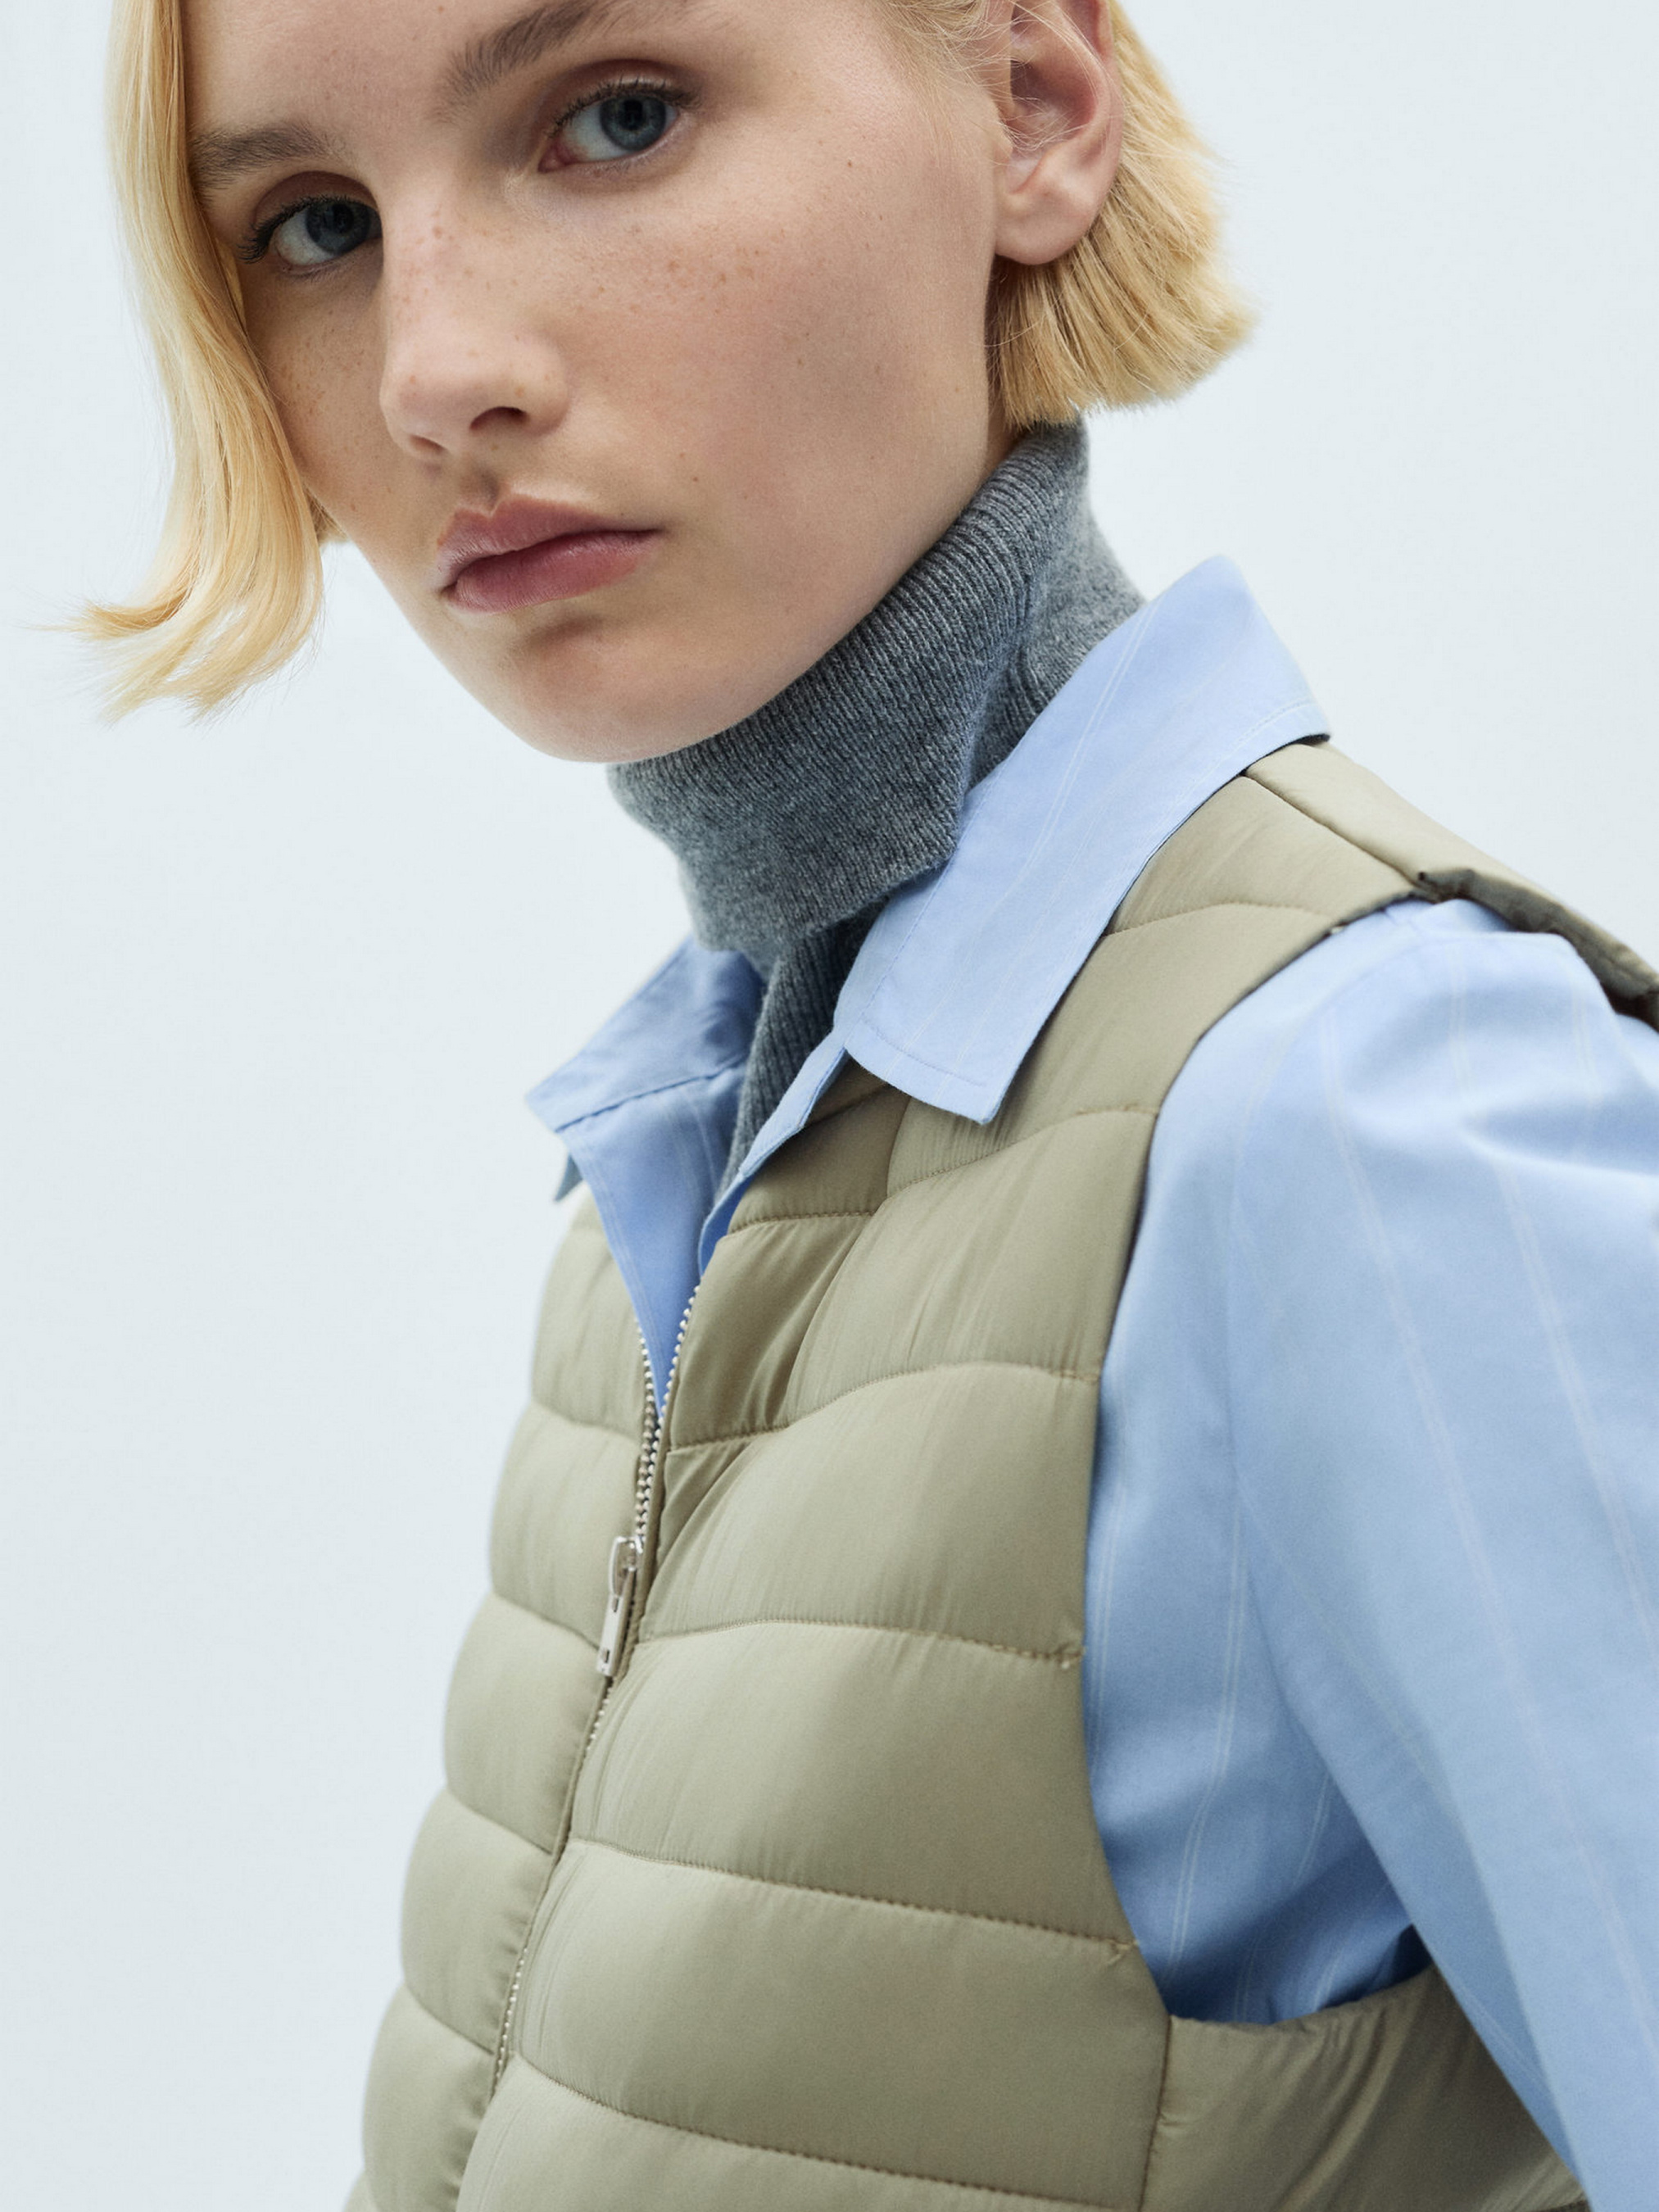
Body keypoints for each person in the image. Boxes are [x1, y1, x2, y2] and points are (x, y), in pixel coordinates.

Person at [87, 0, 1659, 2205]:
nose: (435, 370)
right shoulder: (666, 1161)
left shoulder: (1366, 1119)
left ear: (1033, 107)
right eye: (316, 228)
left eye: (616, 117)